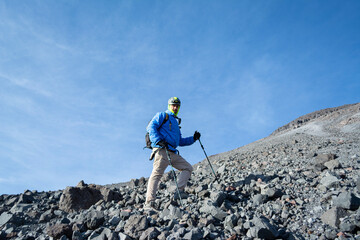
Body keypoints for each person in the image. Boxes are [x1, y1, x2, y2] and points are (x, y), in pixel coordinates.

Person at [145, 97, 200, 209]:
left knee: (188, 168)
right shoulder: (162, 115)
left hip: (172, 152)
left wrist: (193, 138)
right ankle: (149, 202)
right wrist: (157, 140)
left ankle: (178, 193)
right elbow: (151, 127)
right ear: (169, 106)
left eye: (177, 106)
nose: (175, 108)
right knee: (156, 175)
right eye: (173, 105)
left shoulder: (175, 122)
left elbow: (180, 141)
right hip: (162, 150)